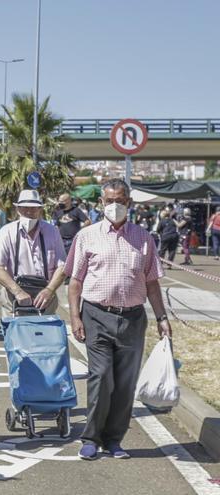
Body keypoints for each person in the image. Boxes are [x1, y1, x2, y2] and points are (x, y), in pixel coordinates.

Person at [66, 179, 171, 460]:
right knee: (101, 377)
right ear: (101, 203)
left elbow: (152, 284)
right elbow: (75, 282)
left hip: (133, 319)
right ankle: (90, 437)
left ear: (129, 203)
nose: (115, 206)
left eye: (121, 201)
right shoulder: (86, 236)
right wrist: (75, 317)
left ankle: (114, 439)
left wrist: (162, 317)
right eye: (110, 201)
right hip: (96, 315)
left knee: (125, 384)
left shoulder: (144, 238)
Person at [0, 190, 68, 317]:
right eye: (25, 208)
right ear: (18, 209)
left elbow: (62, 266)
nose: (29, 212)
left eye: (34, 208)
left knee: (45, 335)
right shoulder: (7, 231)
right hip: (14, 295)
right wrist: (17, 291)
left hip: (45, 296)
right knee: (16, 334)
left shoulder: (52, 232)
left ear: (40, 210)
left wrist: (49, 290)